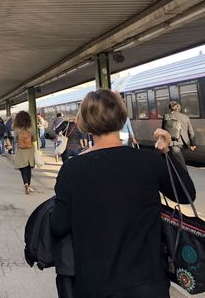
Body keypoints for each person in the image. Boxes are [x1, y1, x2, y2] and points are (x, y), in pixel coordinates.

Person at [50, 89, 196, 298]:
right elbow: (186, 194)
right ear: (121, 116)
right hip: (148, 284)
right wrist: (167, 152)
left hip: (95, 285)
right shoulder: (148, 161)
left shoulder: (72, 171)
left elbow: (58, 225)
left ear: (85, 122)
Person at [162, 100, 196, 170]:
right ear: (179, 108)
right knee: (179, 161)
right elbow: (191, 132)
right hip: (184, 143)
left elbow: (163, 130)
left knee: (180, 163)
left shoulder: (166, 116)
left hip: (173, 143)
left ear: (170, 108)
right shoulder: (185, 117)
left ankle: (184, 176)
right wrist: (193, 144)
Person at [13, 111, 36, 194]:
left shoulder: (16, 129)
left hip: (21, 151)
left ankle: (25, 183)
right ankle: (29, 186)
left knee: (22, 168)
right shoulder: (31, 128)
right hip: (30, 150)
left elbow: (15, 140)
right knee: (28, 168)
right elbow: (34, 139)